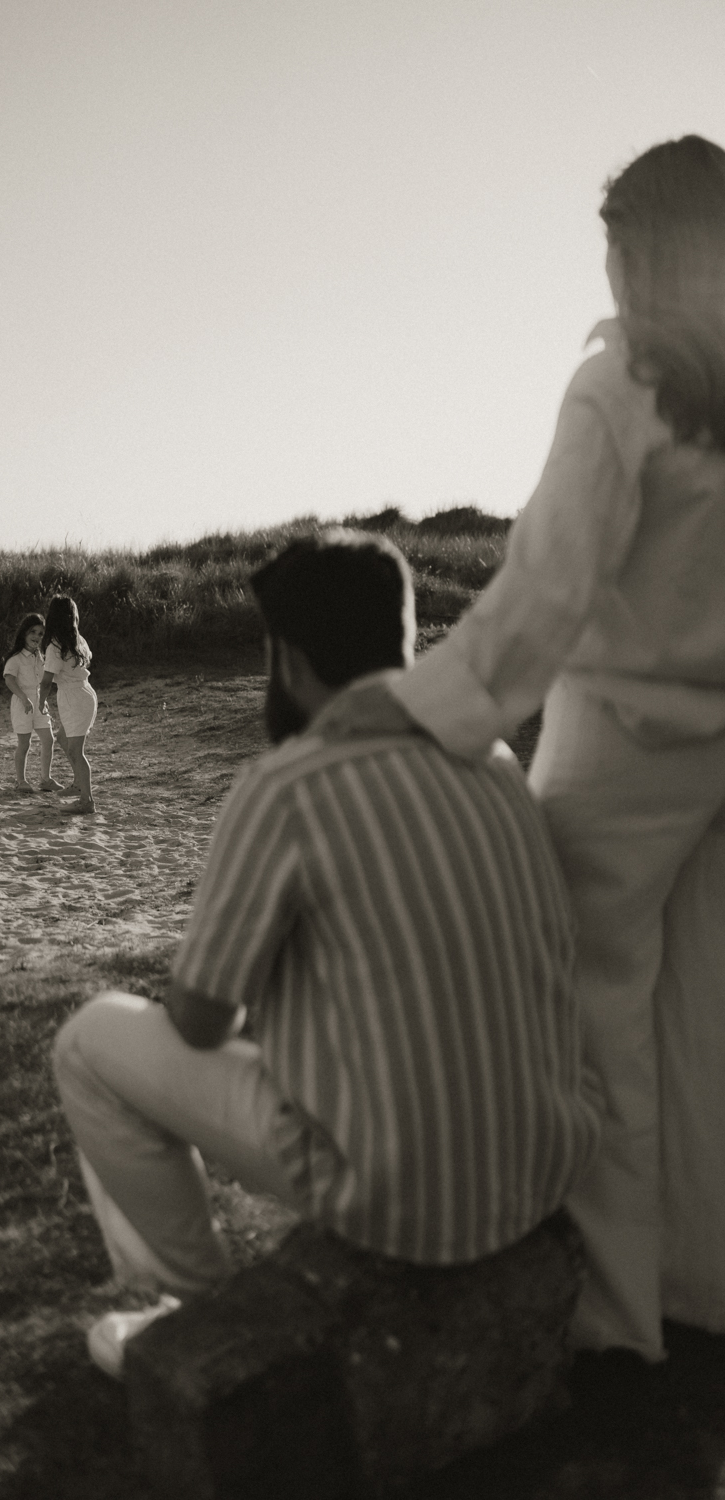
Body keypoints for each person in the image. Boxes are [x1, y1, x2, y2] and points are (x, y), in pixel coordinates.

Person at [52, 530, 600, 1377]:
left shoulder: (289, 787)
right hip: (541, 1164)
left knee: (89, 1043)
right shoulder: (491, 761)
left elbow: (200, 1021)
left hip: (397, 1196)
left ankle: (195, 1310)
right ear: (404, 640)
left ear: (291, 659)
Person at [387, 135, 725, 1363]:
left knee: (597, 1026)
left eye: (622, 250)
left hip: (623, 745)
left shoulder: (622, 383)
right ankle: (701, 1294)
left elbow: (544, 592)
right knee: (705, 1021)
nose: (617, 274)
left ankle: (619, 1318)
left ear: (647, 251)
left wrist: (415, 707)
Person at [39, 594, 98, 815]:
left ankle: (87, 800)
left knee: (75, 750)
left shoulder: (56, 644)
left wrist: (40, 702)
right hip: (82, 693)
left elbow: (46, 682)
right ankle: (78, 784)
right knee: (63, 739)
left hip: (75, 697)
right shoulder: (77, 639)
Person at [2, 613, 55, 794]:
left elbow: (45, 680)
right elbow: (9, 680)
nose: (37, 637)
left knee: (48, 739)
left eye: (41, 634)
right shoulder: (15, 658)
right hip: (22, 703)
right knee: (24, 744)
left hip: (40, 702)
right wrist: (24, 698)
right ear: (24, 632)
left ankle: (46, 779)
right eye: (33, 632)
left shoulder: (40, 656)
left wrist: (43, 700)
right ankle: (21, 781)